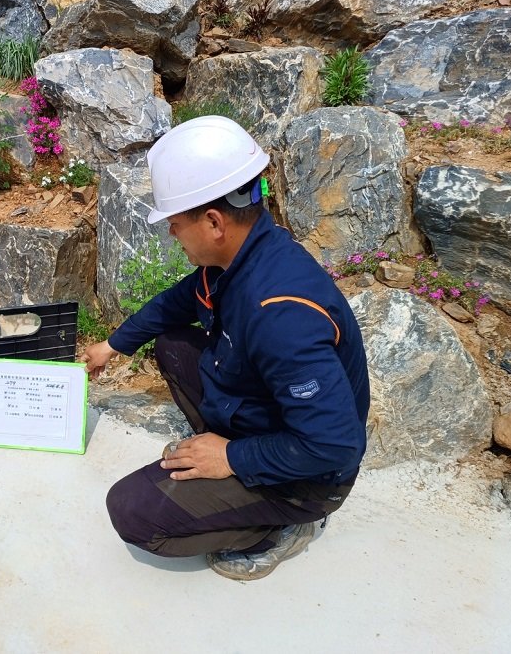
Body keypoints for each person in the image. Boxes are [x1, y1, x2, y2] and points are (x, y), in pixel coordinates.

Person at [81, 116, 370, 581]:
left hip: (312, 473)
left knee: (132, 512)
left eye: (175, 223)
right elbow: (177, 303)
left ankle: (273, 527)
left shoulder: (280, 316)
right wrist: (113, 346)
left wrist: (231, 458)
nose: (172, 234)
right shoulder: (240, 257)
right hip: (272, 418)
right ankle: (234, 461)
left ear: (213, 221)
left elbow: (334, 446)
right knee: (173, 344)